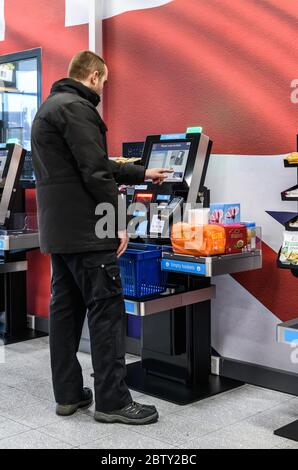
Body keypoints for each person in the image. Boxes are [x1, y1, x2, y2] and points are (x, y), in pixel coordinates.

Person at [31, 50, 172, 425]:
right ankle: (112, 401)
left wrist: (142, 172)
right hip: (89, 232)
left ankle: (69, 395)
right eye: (104, 81)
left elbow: (89, 162)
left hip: (60, 234)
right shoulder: (77, 108)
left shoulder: (50, 108)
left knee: (65, 313)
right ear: (93, 76)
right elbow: (94, 172)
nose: (103, 89)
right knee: (107, 311)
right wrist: (118, 222)